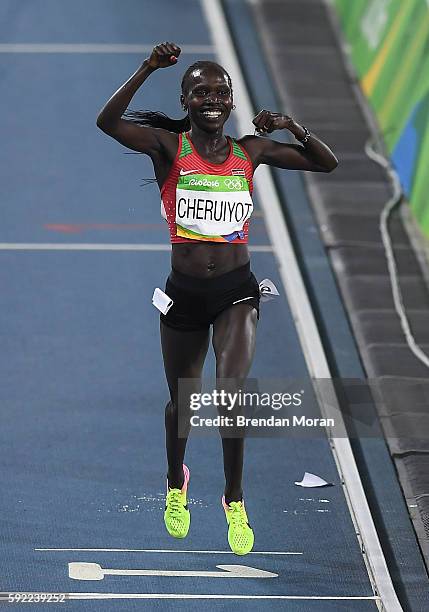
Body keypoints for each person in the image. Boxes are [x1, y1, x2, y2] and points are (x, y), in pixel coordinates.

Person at [96, 42, 338, 555]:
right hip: (185, 294)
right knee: (180, 403)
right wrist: (146, 69)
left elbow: (326, 164)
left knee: (230, 394)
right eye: (200, 91)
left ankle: (234, 498)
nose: (212, 99)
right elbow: (108, 122)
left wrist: (294, 127)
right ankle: (175, 481)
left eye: (220, 92)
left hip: (236, 292)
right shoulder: (168, 147)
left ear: (231, 101)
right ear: (185, 100)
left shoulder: (251, 151)